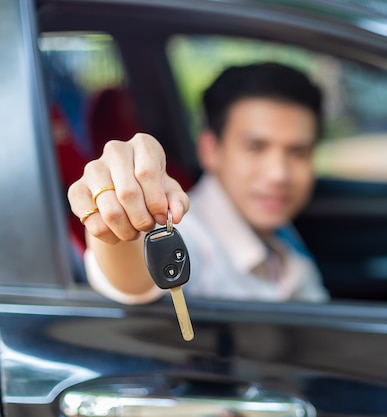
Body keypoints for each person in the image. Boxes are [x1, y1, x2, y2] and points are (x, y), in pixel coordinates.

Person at [67, 62, 329, 304]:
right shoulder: (186, 235)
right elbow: (132, 280)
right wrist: (115, 204)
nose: (279, 174)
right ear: (210, 149)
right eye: (255, 147)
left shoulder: (279, 229)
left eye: (298, 152)